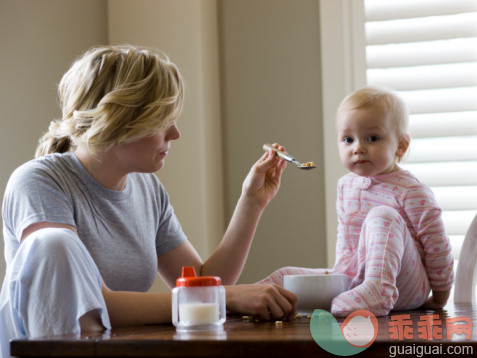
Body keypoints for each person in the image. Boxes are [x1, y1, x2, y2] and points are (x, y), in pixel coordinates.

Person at [0, 44, 297, 358]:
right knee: (52, 242)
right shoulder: (38, 181)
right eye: (162, 121)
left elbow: (198, 285)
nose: (176, 133)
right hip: (59, 349)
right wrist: (227, 298)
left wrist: (251, 202)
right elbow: (95, 305)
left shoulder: (147, 189)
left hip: (116, 350)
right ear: (118, 120)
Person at [258, 86, 454, 316]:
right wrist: (338, 279)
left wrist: (439, 298)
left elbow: (438, 247)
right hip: (357, 280)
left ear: (401, 145)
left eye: (372, 138)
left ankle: (379, 291)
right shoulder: (345, 186)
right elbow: (346, 240)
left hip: (406, 289)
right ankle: (252, 298)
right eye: (348, 139)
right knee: (285, 276)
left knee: (383, 216)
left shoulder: (412, 191)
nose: (358, 148)